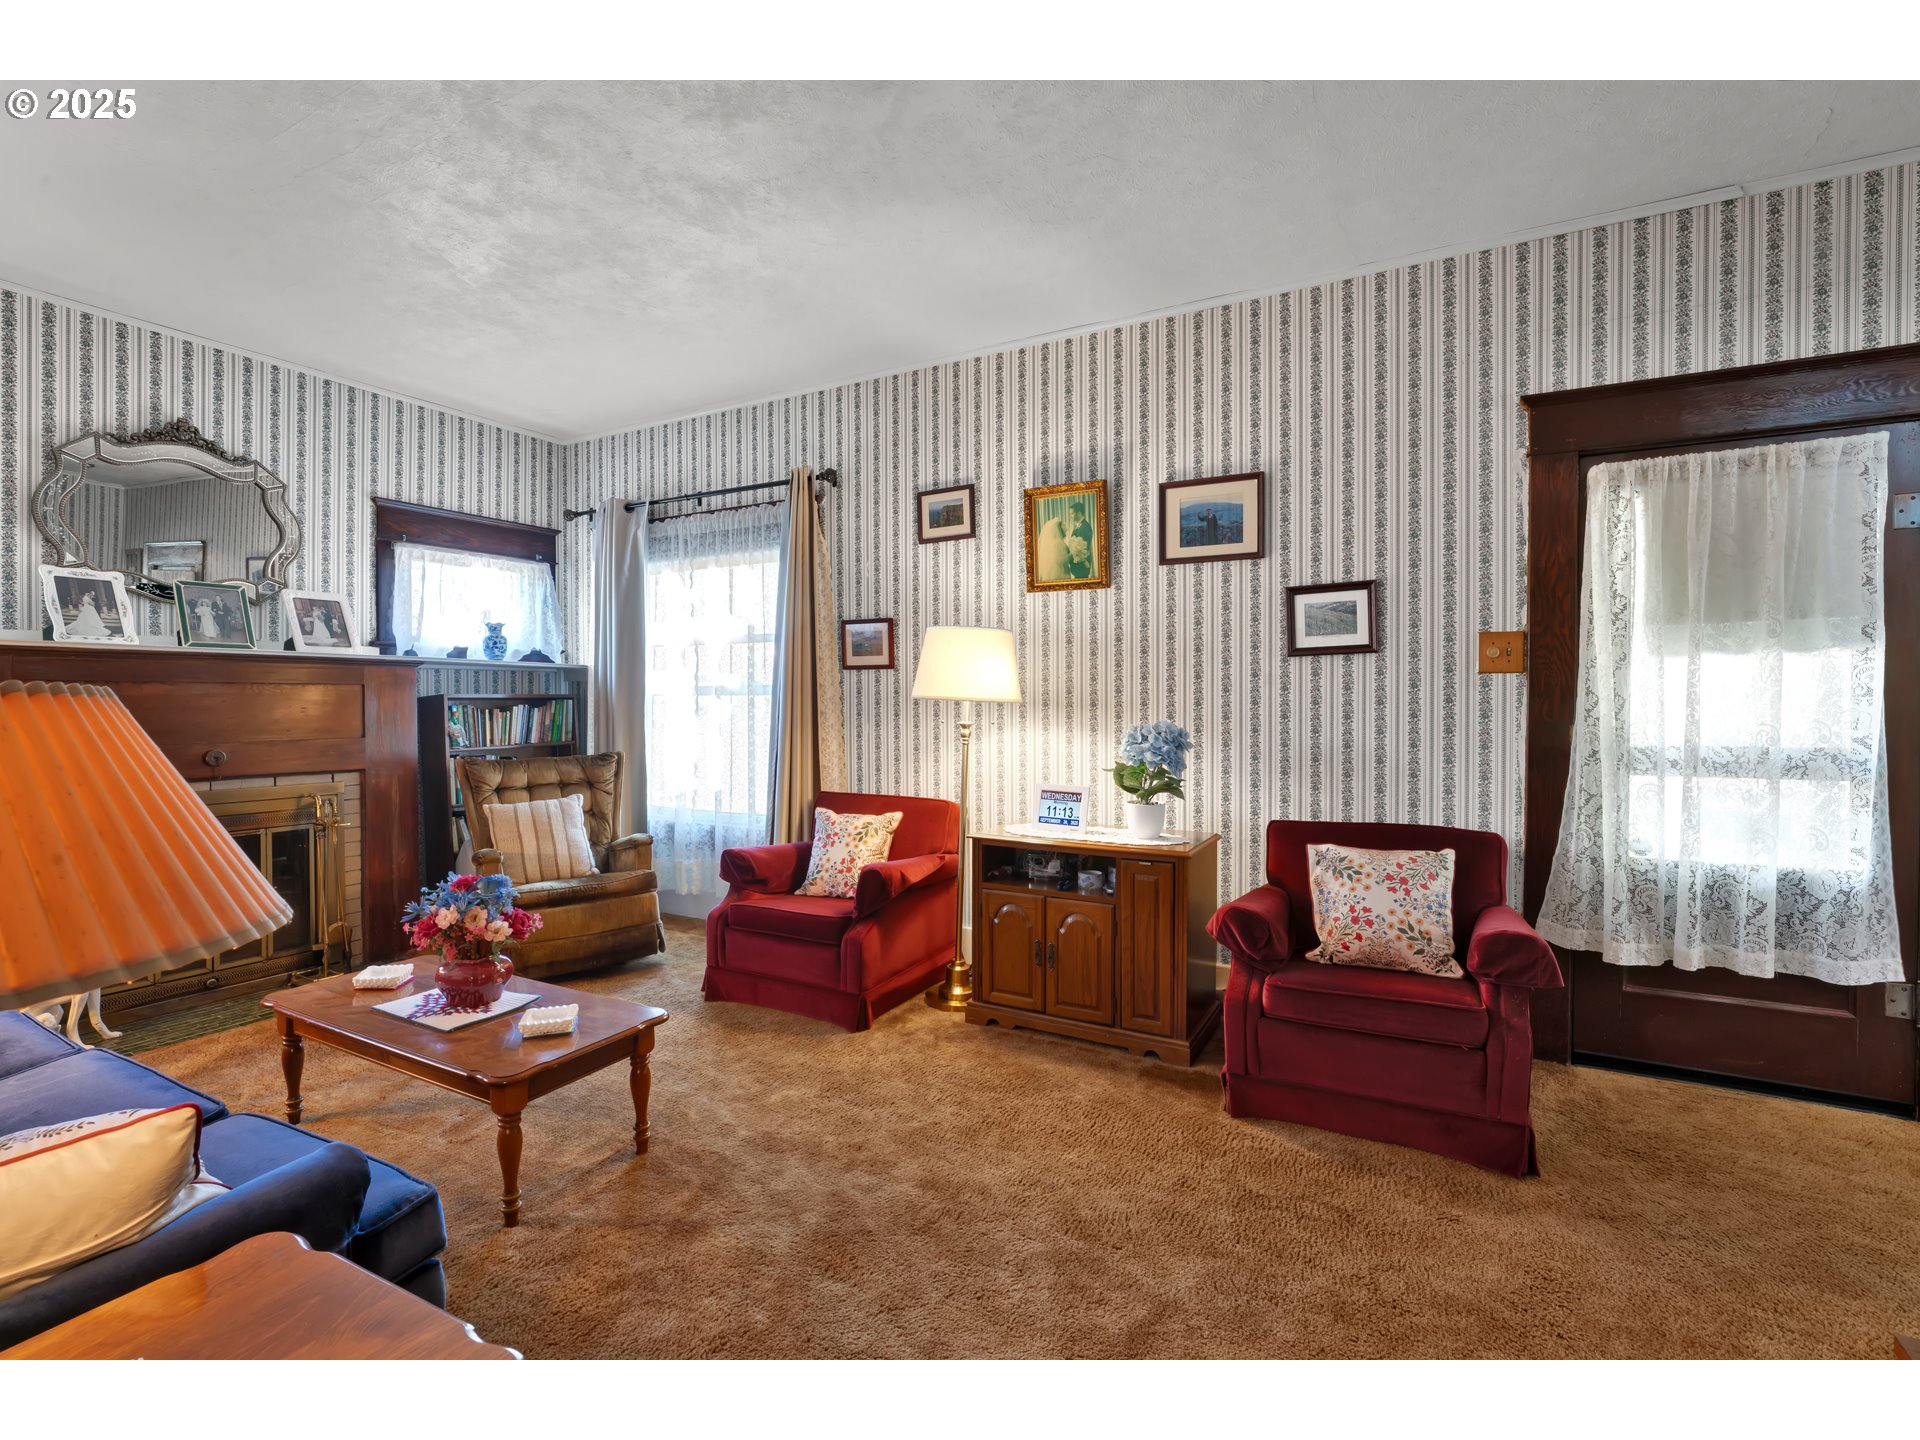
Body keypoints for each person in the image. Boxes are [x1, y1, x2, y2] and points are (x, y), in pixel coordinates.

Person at [1063, 500, 1094, 580]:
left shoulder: (1085, 527)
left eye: (1072, 513)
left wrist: (1067, 558)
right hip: (1077, 567)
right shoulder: (1078, 526)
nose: (1071, 516)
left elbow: (1082, 549)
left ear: (1079, 513)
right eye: (1070, 514)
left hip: (1082, 567)